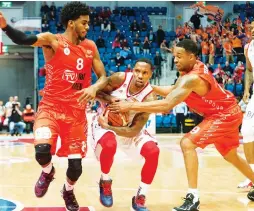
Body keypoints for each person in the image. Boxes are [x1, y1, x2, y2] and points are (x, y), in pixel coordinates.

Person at [109, 39, 254, 211]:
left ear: (191, 57)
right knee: (231, 156)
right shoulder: (191, 70)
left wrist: (130, 105)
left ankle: (193, 198)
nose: (175, 60)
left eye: (179, 56)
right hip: (227, 111)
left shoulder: (192, 78)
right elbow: (173, 90)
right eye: (174, 56)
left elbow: (167, 104)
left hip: (223, 114)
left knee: (187, 143)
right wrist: (148, 86)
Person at [0, 2, 108, 211]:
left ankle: (67, 190)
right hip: (50, 108)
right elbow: (23, 39)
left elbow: (103, 77)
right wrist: (4, 26)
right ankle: (48, 172)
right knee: (41, 151)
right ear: (71, 23)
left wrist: (95, 87)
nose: (87, 27)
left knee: (75, 168)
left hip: (76, 113)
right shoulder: (52, 41)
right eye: (84, 23)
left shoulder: (90, 47)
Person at [92, 58, 160, 211]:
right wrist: (110, 99)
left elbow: (134, 131)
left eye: (145, 73)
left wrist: (111, 126)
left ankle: (140, 196)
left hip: (127, 129)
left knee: (153, 152)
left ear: (150, 75)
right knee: (110, 145)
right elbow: (95, 92)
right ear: (132, 71)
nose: (140, 75)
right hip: (103, 122)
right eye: (137, 71)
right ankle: (105, 180)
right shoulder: (119, 78)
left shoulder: (149, 98)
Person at [237, 21, 254, 189]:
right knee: (247, 131)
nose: (253, 31)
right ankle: (252, 176)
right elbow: (249, 70)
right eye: (252, 29)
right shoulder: (249, 47)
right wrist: (247, 90)